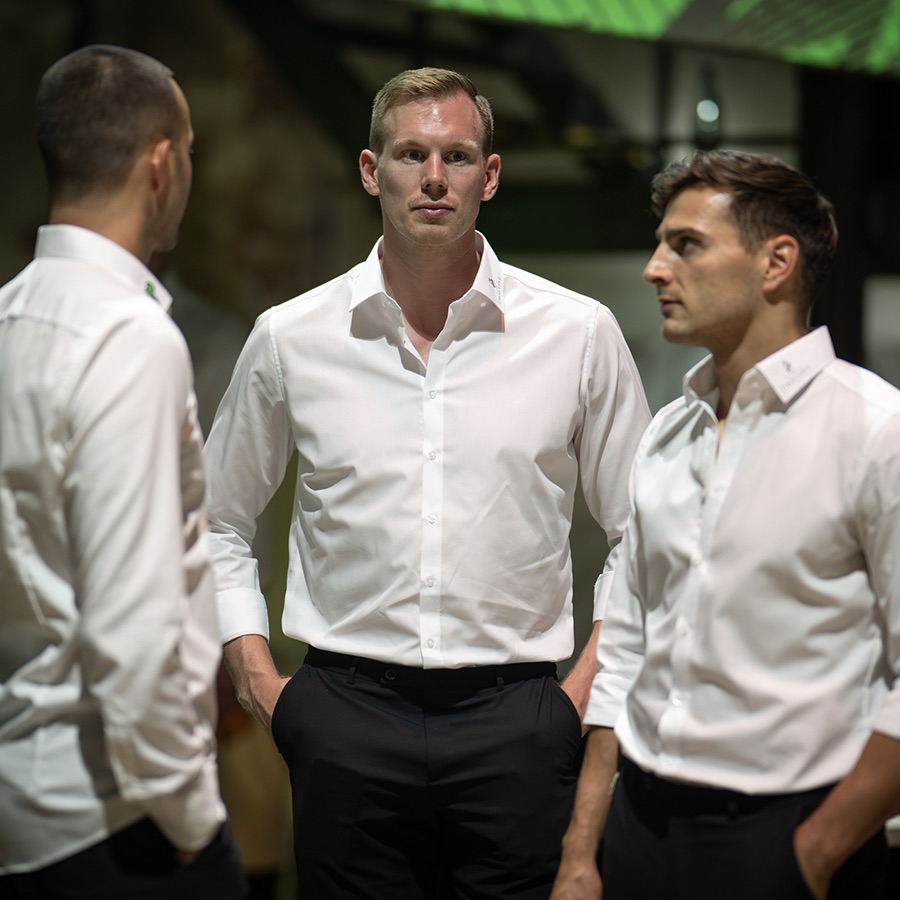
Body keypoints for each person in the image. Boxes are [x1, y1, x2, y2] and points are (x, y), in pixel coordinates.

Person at [203, 66, 650, 899]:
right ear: (371, 171)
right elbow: (219, 520)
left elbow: (645, 531)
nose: (435, 177)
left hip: (519, 719)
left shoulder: (578, 333)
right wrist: (259, 682)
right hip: (343, 714)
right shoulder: (291, 337)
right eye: (412, 154)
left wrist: (584, 690)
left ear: (490, 175)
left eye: (458, 156)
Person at [550, 149, 900, 900]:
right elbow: (626, 650)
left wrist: (813, 855)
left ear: (777, 263)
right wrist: (581, 852)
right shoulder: (666, 433)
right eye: (660, 244)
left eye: (687, 245)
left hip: (790, 833)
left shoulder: (877, 430)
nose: (655, 269)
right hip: (641, 828)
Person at [0, 45, 246, 899]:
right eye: (192, 150)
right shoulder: (129, 337)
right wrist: (193, 819)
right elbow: (132, 630)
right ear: (161, 162)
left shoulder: (9, 318)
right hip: (114, 816)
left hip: (23, 798)